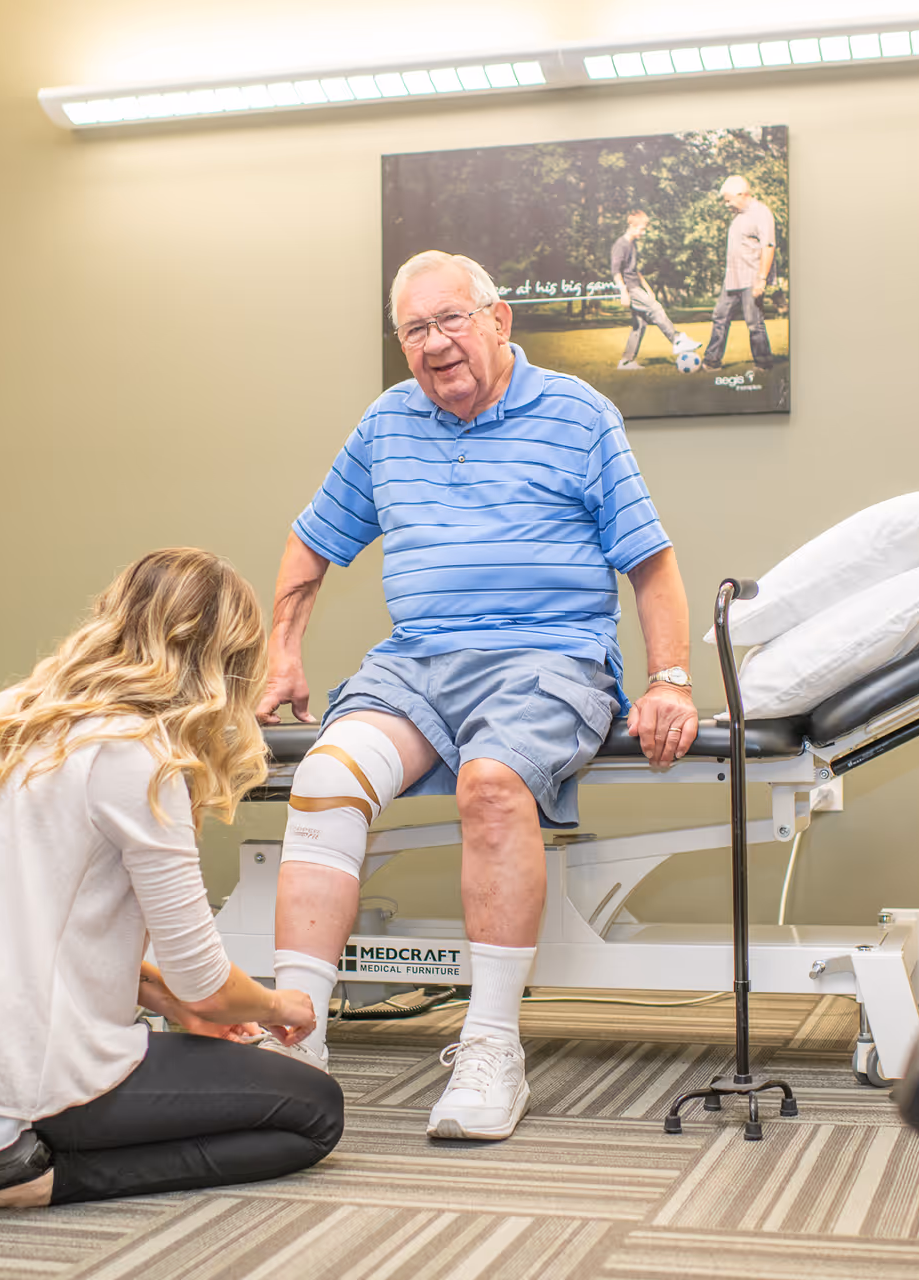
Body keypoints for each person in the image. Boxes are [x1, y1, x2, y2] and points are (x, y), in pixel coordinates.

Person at [255, 250, 698, 1141]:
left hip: (550, 661)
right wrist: (284, 654)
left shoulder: (579, 415)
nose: (435, 343)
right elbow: (311, 545)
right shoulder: (387, 425)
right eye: (414, 329)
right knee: (325, 780)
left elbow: (649, 561)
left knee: (492, 783)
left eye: (450, 319)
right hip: (417, 663)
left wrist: (669, 680)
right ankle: (295, 1035)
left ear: (500, 321)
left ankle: (493, 1045)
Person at [0, 548, 342, 1211]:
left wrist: (174, 1004)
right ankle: (41, 1177)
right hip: (11, 1065)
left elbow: (36, 931)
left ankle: (2, 1155)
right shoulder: (142, 757)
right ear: (225, 664)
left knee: (214, 1066)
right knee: (314, 1109)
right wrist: (281, 1007)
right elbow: (207, 983)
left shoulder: (13, 716)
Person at [702, 175, 777, 371]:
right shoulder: (739, 215)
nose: (727, 204)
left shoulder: (761, 213)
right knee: (720, 316)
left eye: (729, 200)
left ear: (742, 194)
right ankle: (711, 361)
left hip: (751, 277)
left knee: (754, 323)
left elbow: (768, 246)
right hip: (732, 278)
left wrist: (761, 279)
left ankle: (763, 363)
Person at [610, 210, 700, 369]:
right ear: (631, 225)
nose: (643, 233)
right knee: (655, 308)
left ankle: (626, 361)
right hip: (630, 288)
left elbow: (635, 270)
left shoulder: (632, 244)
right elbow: (616, 271)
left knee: (640, 324)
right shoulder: (620, 245)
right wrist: (623, 292)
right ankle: (677, 339)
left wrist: (648, 288)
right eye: (641, 229)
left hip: (637, 286)